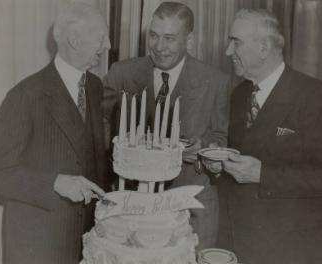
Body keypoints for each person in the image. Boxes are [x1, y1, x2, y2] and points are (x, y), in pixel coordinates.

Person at [103, 1, 229, 250]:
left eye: (169, 38)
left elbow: (220, 138)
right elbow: (100, 133)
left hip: (191, 209)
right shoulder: (121, 74)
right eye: (153, 35)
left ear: (189, 40)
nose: (159, 47)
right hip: (132, 208)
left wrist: (205, 150)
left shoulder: (215, 81)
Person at [0, 3, 111, 264]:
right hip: (37, 245)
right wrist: (55, 183)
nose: (108, 46)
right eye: (101, 38)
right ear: (74, 39)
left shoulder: (93, 86)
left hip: (84, 241)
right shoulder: (24, 96)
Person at [205, 8, 322, 264]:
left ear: (264, 47)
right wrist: (218, 166)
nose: (227, 52)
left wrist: (263, 175)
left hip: (287, 248)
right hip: (235, 240)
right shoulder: (239, 95)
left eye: (236, 42)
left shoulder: (313, 97)